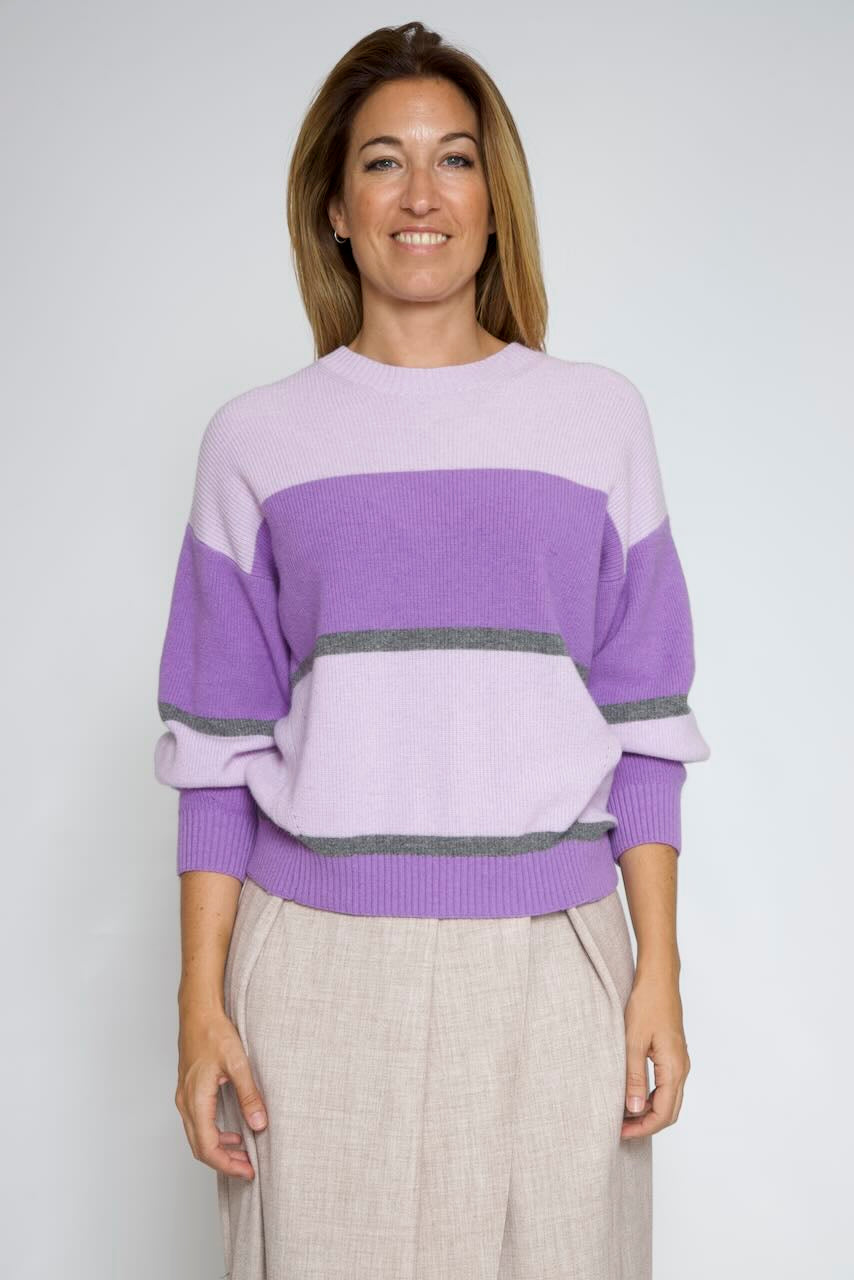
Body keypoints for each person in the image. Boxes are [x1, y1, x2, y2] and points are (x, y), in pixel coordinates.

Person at [154, 19, 711, 1279]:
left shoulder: (595, 420)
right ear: (334, 208)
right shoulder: (255, 441)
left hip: (552, 962)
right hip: (312, 970)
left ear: (493, 199)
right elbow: (215, 750)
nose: (420, 194)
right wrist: (198, 1006)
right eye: (381, 162)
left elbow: (644, 721)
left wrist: (657, 974)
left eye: (454, 159)